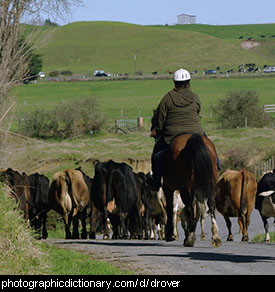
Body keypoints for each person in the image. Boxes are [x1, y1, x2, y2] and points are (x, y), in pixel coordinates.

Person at [148, 68, 206, 190]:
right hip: (196, 131)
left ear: (174, 82)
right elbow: (197, 110)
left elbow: (160, 120)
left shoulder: (167, 98)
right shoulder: (195, 96)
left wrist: (157, 130)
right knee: (208, 147)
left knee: (157, 154)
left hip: (172, 135)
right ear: (189, 82)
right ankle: (216, 165)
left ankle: (156, 180)